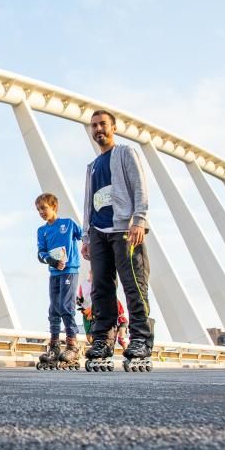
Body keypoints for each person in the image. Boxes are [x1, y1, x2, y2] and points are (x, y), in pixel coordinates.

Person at [80, 110, 153, 366]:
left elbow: (139, 185)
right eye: (94, 126)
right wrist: (86, 236)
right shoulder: (92, 167)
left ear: (114, 128)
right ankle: (103, 339)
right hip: (99, 232)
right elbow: (89, 203)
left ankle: (141, 338)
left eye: (103, 124)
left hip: (125, 229)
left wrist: (139, 219)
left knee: (134, 285)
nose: (98, 129)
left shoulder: (125, 153)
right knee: (101, 289)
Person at [35, 193, 83, 367]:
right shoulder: (42, 231)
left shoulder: (68, 224)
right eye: (38, 209)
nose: (41, 212)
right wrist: (52, 261)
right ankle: (54, 347)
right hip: (54, 273)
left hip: (70, 271)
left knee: (66, 306)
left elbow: (84, 236)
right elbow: (41, 253)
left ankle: (72, 345)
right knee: (53, 309)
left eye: (44, 208)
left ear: (54, 206)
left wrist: (89, 248)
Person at [76, 270, 94, 343]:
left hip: (96, 312)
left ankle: (97, 350)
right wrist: (78, 301)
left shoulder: (100, 283)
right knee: (88, 335)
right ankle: (93, 347)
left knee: (94, 332)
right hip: (85, 312)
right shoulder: (83, 284)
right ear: (89, 273)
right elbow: (79, 296)